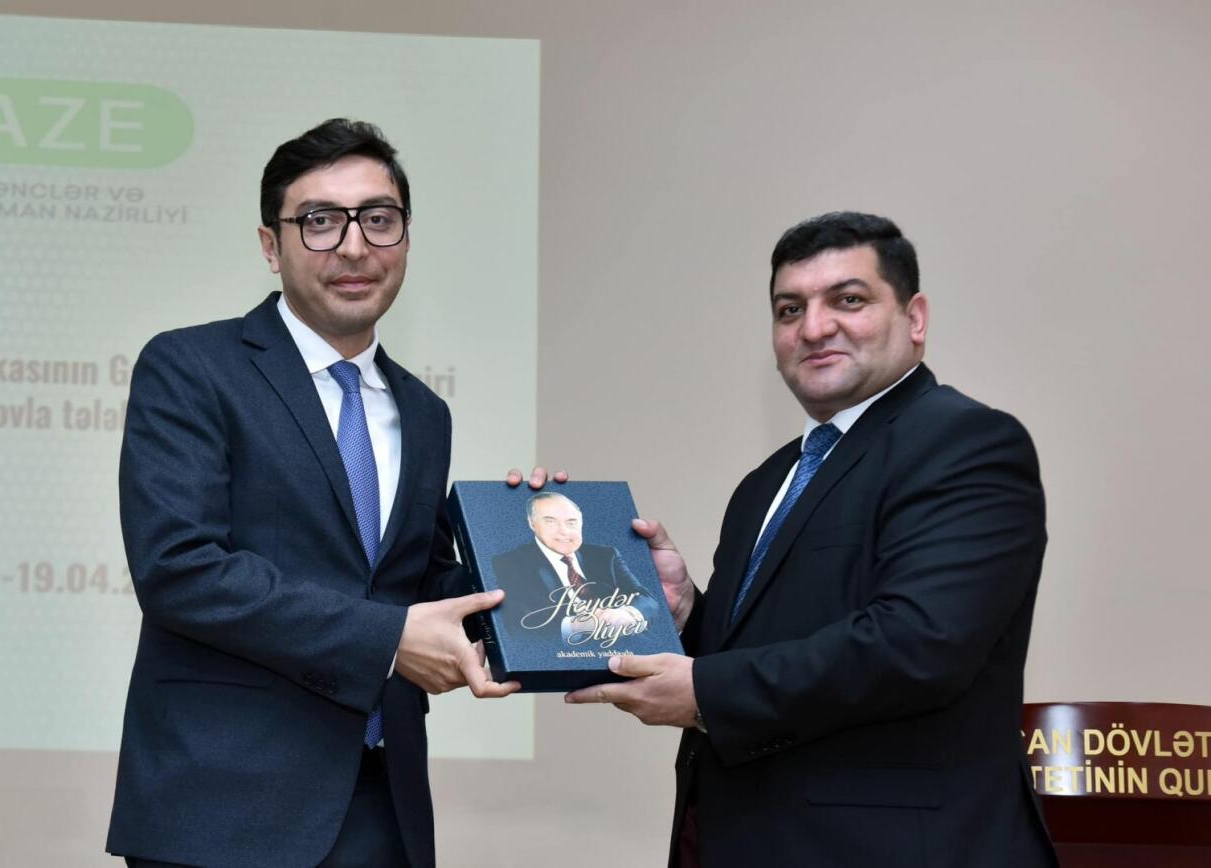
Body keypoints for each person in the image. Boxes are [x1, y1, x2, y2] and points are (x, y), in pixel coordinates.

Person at [563, 212, 1058, 867]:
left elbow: (918, 645)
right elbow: (777, 645)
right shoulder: (767, 483)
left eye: (848, 300)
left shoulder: (966, 442)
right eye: (790, 309)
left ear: (915, 318)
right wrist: (686, 616)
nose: (814, 327)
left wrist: (708, 691)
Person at [107, 119, 517, 868]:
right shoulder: (192, 367)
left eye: (379, 219)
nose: (355, 247)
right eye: (321, 221)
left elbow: (413, 585)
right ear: (272, 246)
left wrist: (537, 562)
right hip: (222, 811)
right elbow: (180, 569)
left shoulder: (425, 412)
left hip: (383, 807)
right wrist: (388, 640)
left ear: (406, 238)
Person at [490, 491, 660, 639]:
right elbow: (517, 626)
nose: (564, 531)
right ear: (532, 523)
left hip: (625, 647)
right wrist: (576, 626)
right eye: (550, 521)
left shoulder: (605, 556)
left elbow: (646, 598)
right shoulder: (508, 563)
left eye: (571, 522)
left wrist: (626, 613)